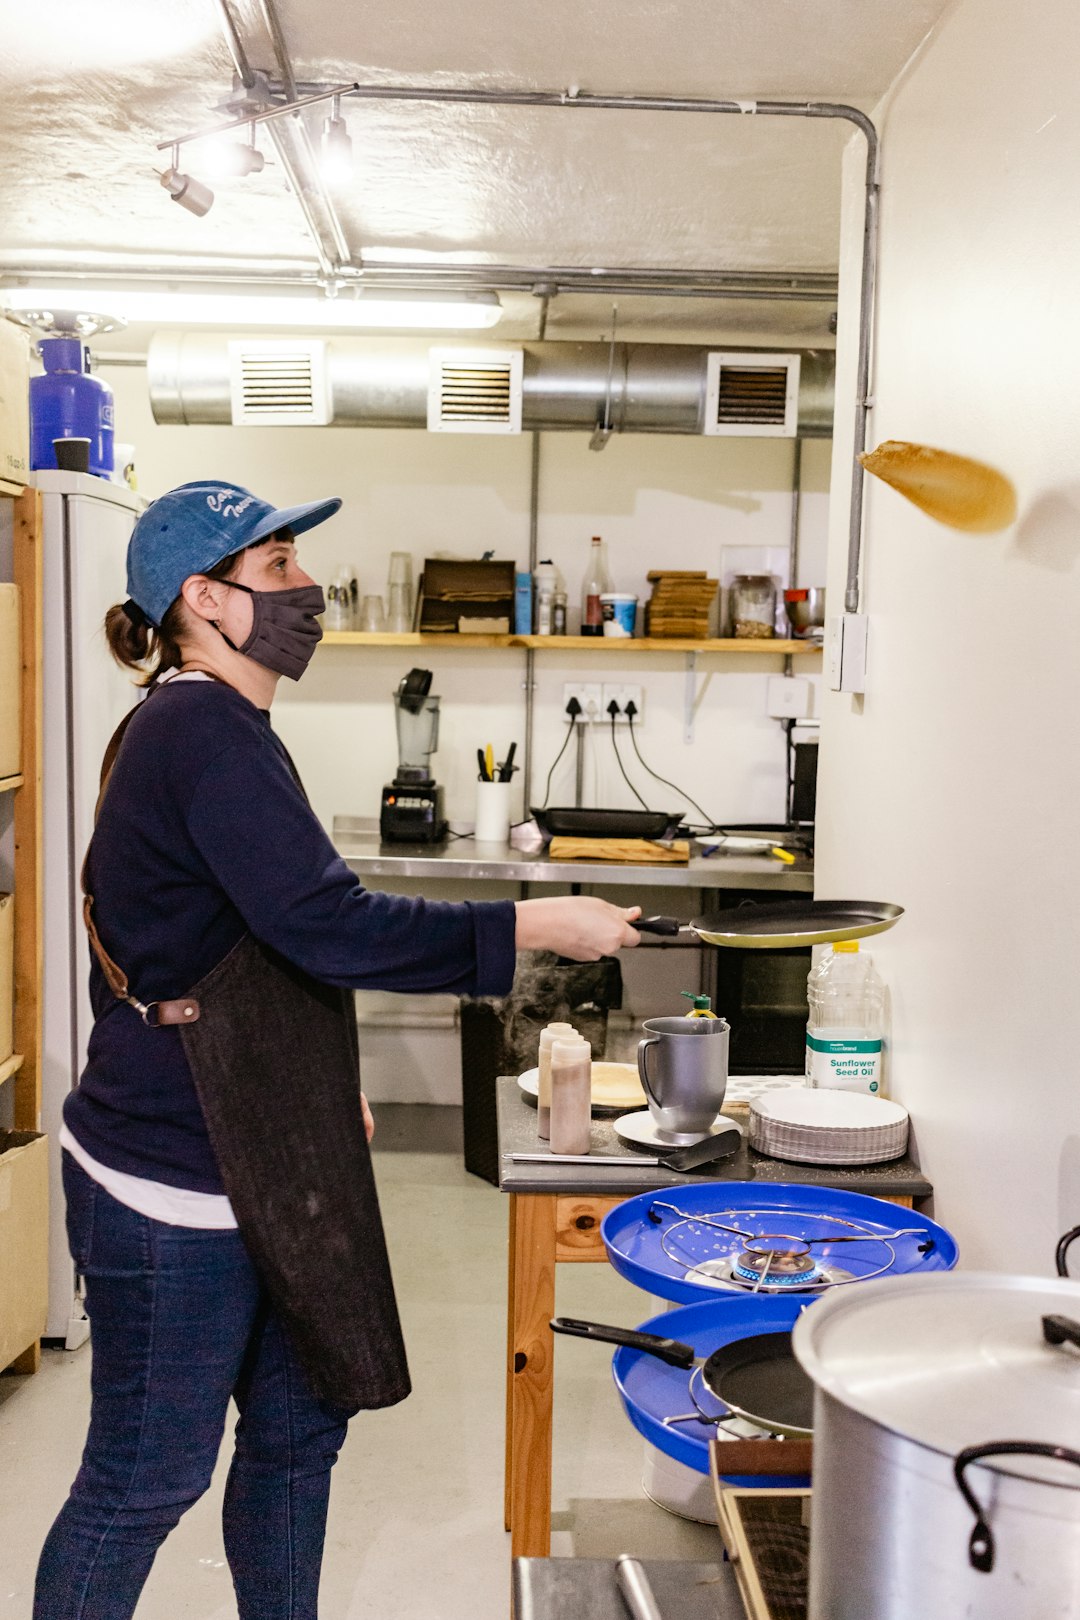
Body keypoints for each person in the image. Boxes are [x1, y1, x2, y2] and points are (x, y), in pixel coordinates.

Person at [34, 481, 640, 1620]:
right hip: (174, 1180)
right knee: (143, 1480)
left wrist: (321, 1079)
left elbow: (228, 941)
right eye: (277, 570)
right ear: (205, 602)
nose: (308, 589)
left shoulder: (227, 727)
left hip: (266, 1145)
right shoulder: (198, 732)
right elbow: (331, 925)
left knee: (298, 1439)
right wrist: (532, 923)